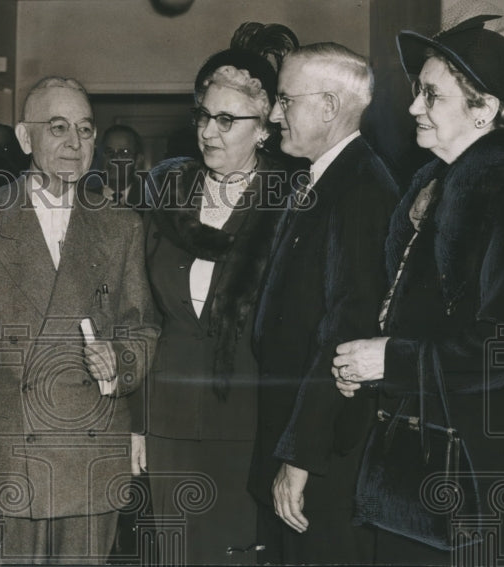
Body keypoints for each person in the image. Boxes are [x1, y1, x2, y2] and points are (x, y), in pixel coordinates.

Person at [332, 15, 504, 565]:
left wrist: (392, 361)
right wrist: (370, 360)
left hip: (485, 475)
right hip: (423, 470)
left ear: (483, 108)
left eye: (431, 94)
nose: (412, 108)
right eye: (416, 91)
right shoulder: (432, 185)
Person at [0, 76, 159, 564]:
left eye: (84, 128)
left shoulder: (121, 223)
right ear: (24, 137)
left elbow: (141, 326)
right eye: (57, 127)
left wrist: (119, 360)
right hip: (10, 457)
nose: (74, 143)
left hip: (92, 459)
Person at [140, 23, 297, 565]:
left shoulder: (291, 203)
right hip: (169, 416)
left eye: (227, 120)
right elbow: (139, 314)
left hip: (250, 417)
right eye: (204, 115)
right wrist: (136, 422)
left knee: (239, 553)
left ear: (265, 129)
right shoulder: (167, 192)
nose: (209, 130)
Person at [250, 42, 399, 565]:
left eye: (286, 100)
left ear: (330, 107)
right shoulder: (326, 178)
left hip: (325, 454)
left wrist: (300, 456)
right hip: (305, 437)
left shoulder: (359, 189)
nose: (274, 114)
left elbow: (345, 331)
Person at [100, 124, 146, 207]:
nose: (114, 158)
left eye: (124, 153)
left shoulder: (150, 202)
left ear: (138, 160)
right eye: (109, 151)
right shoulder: (83, 197)